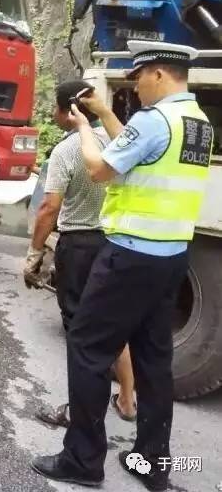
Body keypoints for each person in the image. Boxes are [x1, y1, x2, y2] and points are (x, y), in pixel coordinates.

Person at [31, 41, 213, 491]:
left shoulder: (155, 122)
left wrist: (85, 125)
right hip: (170, 256)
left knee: (89, 349)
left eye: (138, 79)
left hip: (130, 256)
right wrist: (108, 114)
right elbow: (139, 154)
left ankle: (82, 460)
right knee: (155, 361)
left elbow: (98, 168)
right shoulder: (197, 122)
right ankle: (152, 464)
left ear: (155, 74)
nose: (137, 88)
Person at [24, 80, 136, 428]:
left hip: (81, 248)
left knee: (81, 335)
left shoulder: (67, 150)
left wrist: (34, 254)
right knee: (112, 325)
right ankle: (128, 400)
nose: (55, 116)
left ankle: (81, 411)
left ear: (68, 111)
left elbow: (48, 208)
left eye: (57, 109)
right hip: (117, 243)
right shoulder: (122, 142)